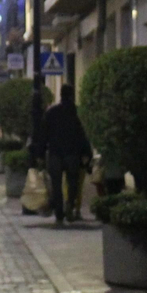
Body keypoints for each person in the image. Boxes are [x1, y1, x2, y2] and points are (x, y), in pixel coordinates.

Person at [32, 84, 93, 227]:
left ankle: (59, 215)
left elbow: (43, 135)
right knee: (73, 183)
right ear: (71, 95)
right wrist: (86, 152)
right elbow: (81, 134)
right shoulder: (74, 112)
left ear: (60, 94)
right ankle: (70, 204)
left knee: (56, 185)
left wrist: (40, 154)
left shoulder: (51, 113)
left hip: (55, 153)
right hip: (72, 153)